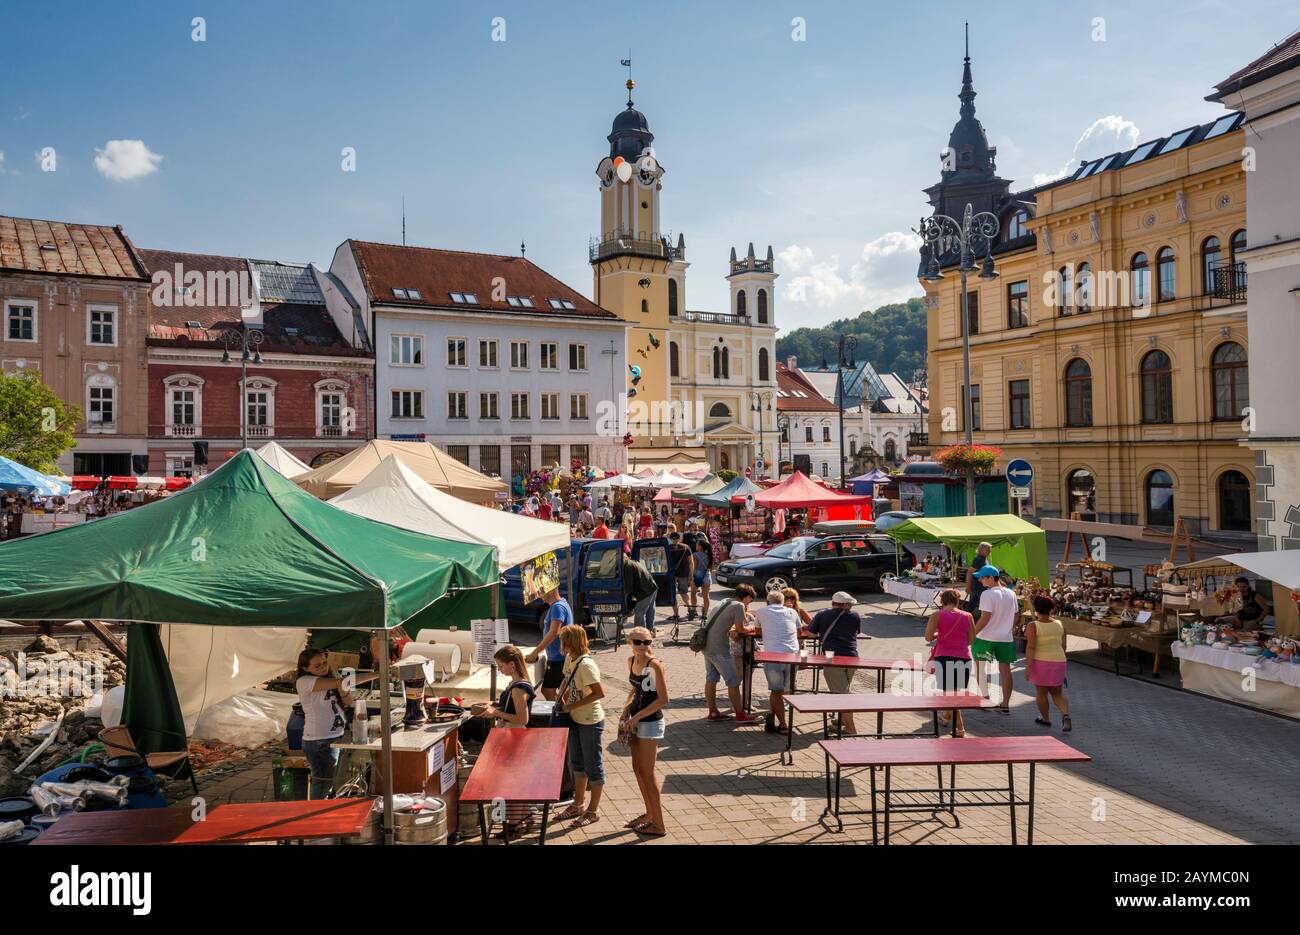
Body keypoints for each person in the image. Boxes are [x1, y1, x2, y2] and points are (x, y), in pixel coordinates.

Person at [295, 648, 382, 799]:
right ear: (305, 668)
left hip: (335, 736)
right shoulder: (304, 681)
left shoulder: (332, 676)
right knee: (322, 782)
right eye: (317, 666)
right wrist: (378, 674)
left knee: (328, 782)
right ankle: (316, 814)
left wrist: (342, 689)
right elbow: (342, 682)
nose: (323, 667)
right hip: (318, 740)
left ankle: (319, 811)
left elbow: (348, 701)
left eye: (324, 662)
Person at [472, 644, 538, 833]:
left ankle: (514, 823)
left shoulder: (518, 688)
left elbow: (522, 718)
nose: (499, 670)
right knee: (515, 780)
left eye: (501, 666)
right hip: (512, 734)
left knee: (511, 782)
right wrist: (493, 705)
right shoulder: (517, 682)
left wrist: (495, 712)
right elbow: (511, 708)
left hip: (513, 736)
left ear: (512, 664)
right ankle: (525, 816)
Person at [554, 625, 606, 827]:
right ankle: (578, 804)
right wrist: (562, 696)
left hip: (590, 721)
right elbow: (567, 679)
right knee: (575, 762)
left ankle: (593, 810)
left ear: (570, 642)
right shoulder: (570, 657)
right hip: (575, 717)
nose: (560, 643)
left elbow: (599, 693)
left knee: (593, 765)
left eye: (562, 639)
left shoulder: (586, 665)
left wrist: (572, 705)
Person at [620, 626, 669, 836]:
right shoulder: (631, 662)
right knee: (638, 769)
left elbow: (663, 699)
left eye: (647, 642)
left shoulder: (654, 665)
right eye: (638, 642)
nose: (643, 647)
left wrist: (637, 716)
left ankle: (659, 824)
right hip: (636, 721)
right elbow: (635, 689)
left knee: (648, 774)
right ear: (629, 643)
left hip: (650, 722)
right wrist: (626, 709)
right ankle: (649, 815)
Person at [700, 585, 759, 722]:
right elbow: (741, 629)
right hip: (719, 648)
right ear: (747, 596)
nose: (749, 603)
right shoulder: (738, 605)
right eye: (750, 600)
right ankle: (740, 714)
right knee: (733, 681)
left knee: (711, 679)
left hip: (706, 646)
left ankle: (713, 712)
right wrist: (751, 627)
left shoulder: (723, 601)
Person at [808, 592, 863, 733]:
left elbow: (812, 634)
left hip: (832, 658)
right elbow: (856, 633)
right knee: (844, 690)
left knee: (841, 695)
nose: (851, 607)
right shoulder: (855, 616)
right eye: (850, 604)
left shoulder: (822, 614)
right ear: (844, 604)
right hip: (852, 657)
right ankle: (842, 720)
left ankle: (850, 728)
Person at [924, 589, 975, 737]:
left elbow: (928, 637)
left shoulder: (936, 615)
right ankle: (947, 717)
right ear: (957, 601)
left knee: (950, 694)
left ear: (942, 601)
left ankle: (960, 728)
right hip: (964, 657)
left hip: (944, 656)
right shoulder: (968, 616)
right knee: (956, 693)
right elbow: (971, 640)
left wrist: (938, 635)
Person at [972, 565, 1017, 713]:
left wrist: (972, 633)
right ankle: (1005, 704)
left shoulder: (987, 594)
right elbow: (1016, 614)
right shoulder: (1011, 593)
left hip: (986, 637)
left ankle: (985, 698)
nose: (979, 580)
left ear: (991, 578)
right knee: (1006, 670)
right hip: (1006, 638)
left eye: (982, 577)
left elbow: (985, 618)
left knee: (980, 667)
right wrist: (1009, 628)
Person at [755, 589, 800, 733]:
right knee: (785, 691)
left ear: (768, 602)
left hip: (773, 656)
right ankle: (773, 718)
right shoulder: (792, 612)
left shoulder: (761, 611)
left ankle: (783, 725)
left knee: (776, 692)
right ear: (783, 602)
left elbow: (757, 632)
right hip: (792, 656)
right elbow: (798, 632)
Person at [1025, 594, 1071, 732]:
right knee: (1057, 693)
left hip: (1041, 661)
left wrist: (1028, 666)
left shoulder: (1033, 626)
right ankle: (1065, 714)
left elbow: (1031, 647)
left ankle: (1045, 719)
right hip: (1059, 659)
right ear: (1051, 608)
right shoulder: (1059, 624)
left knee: (1041, 692)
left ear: (1036, 610)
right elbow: (1063, 645)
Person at [525, 587, 572, 701]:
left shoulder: (557, 607)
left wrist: (535, 652)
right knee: (562, 690)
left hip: (558, 657)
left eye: (541, 592)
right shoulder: (561, 604)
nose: (538, 595)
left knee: (548, 690)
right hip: (560, 656)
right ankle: (563, 712)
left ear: (551, 590)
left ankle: (559, 714)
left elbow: (553, 632)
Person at [623, 555, 659, 634]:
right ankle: (649, 632)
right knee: (650, 611)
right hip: (652, 586)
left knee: (639, 612)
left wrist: (624, 598)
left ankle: (640, 634)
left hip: (645, 590)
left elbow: (629, 587)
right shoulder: (632, 562)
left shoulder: (627, 566)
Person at [667, 532, 694, 623]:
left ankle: (676, 614)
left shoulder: (668, 548)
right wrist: (691, 574)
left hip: (672, 574)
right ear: (679, 538)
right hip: (684, 573)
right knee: (684, 593)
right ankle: (690, 609)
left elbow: (664, 562)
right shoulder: (686, 547)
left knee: (673, 594)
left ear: (671, 539)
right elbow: (691, 562)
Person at [964, 541, 993, 614]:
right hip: (979, 587)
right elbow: (970, 572)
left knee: (972, 605)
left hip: (979, 586)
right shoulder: (979, 559)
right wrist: (968, 586)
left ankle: (963, 618)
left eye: (990, 549)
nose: (989, 551)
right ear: (981, 549)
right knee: (986, 606)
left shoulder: (983, 559)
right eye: (987, 549)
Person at [690, 536, 713, 621]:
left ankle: (694, 610)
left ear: (699, 546)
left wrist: (691, 576)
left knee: (693, 593)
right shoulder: (709, 555)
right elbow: (710, 568)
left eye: (697, 544)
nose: (696, 546)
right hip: (707, 575)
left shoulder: (695, 555)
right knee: (706, 596)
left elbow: (694, 567)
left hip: (697, 575)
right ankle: (705, 614)